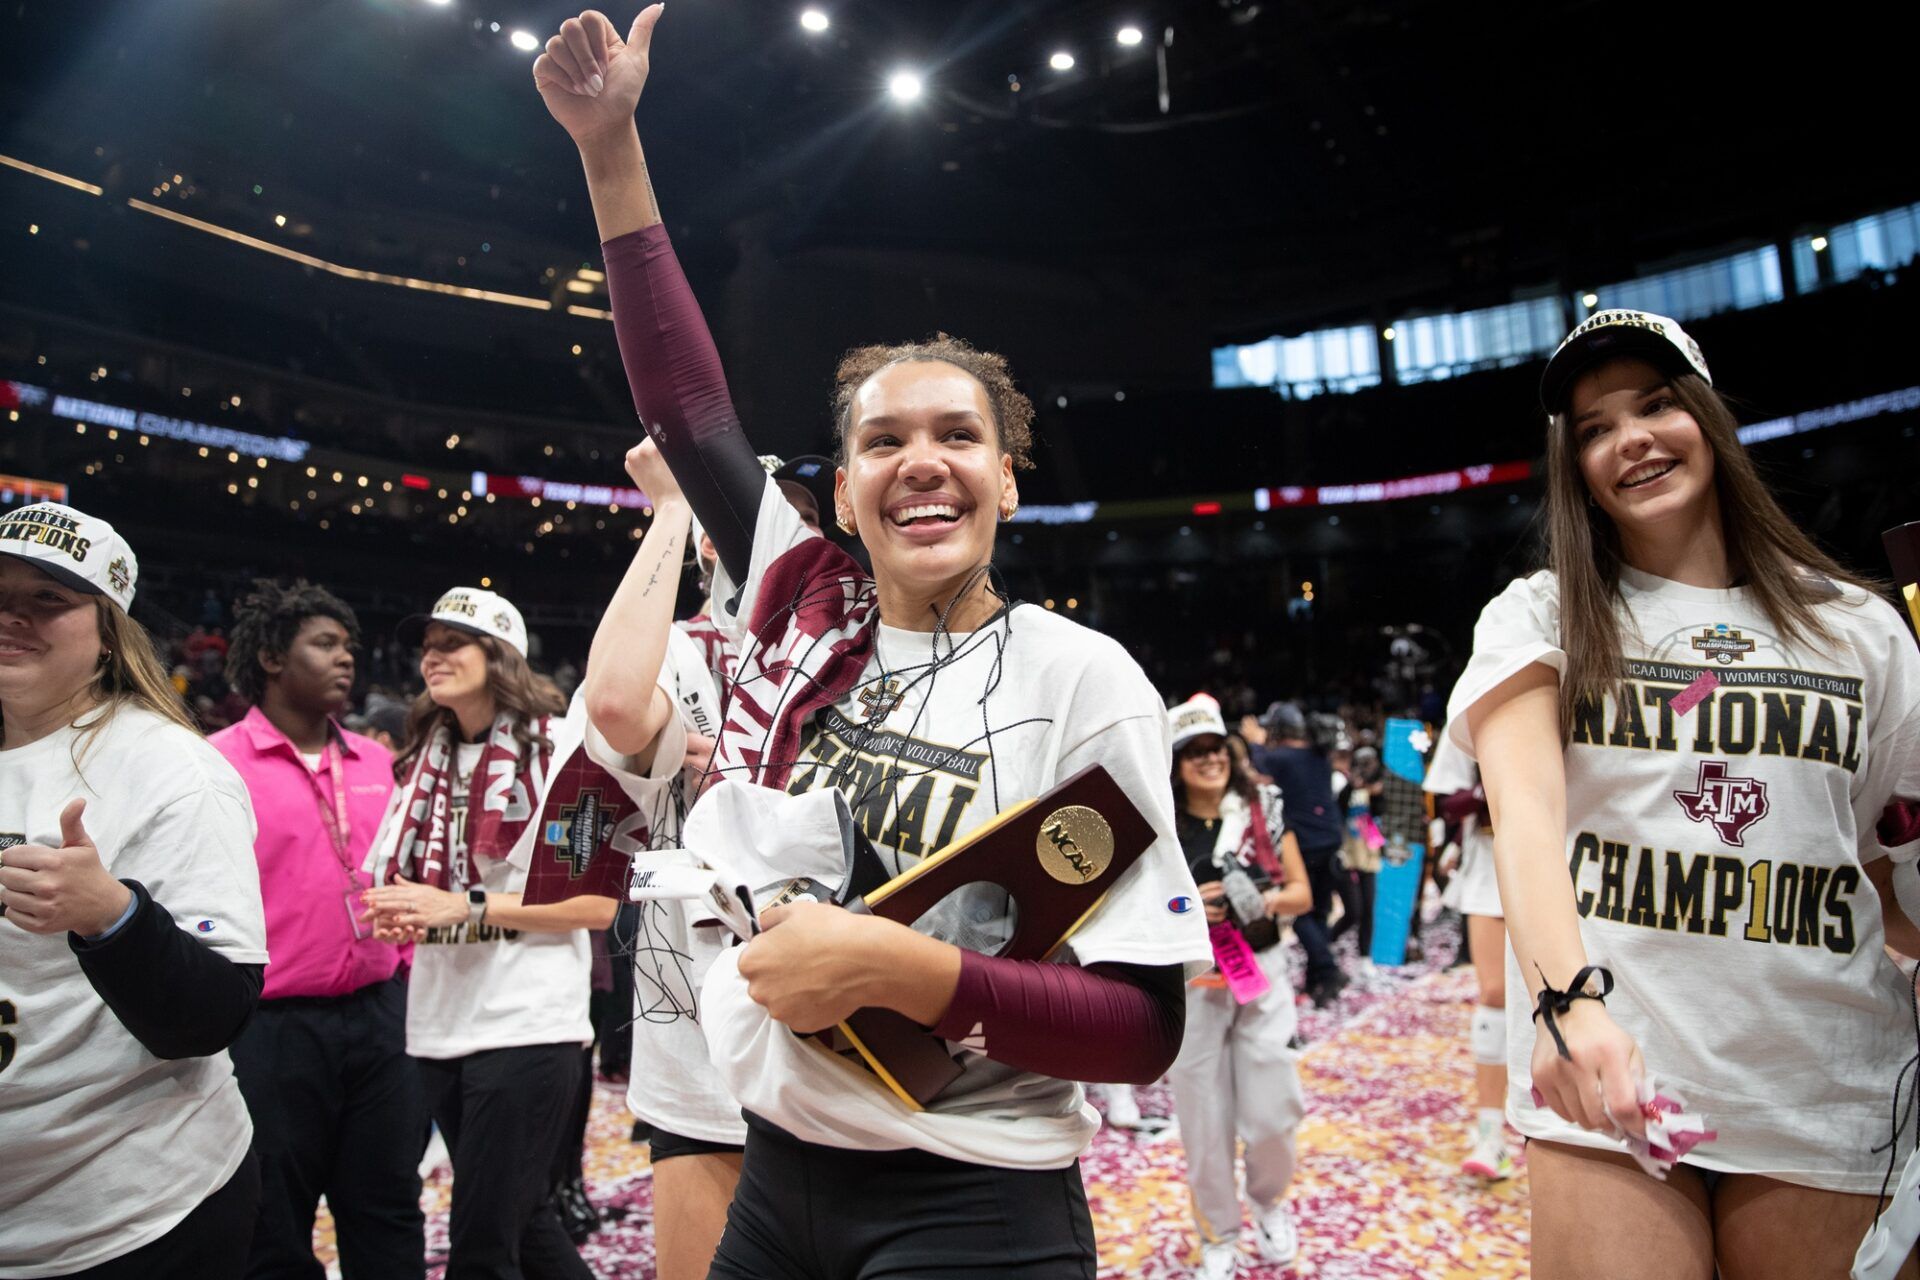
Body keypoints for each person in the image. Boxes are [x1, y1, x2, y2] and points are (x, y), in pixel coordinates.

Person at [535, 11, 1210, 1275]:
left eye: (957, 434)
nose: (921, 462)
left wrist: (909, 971)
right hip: (777, 1176)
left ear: (1008, 480)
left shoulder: (1085, 680)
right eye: (882, 440)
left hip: (973, 1202)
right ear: (837, 495)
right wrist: (611, 143)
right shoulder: (802, 601)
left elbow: (1140, 1027)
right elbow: (687, 410)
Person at [1451, 309, 1920, 1280]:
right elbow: (1526, 821)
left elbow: (1881, 858)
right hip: (1611, 1078)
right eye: (1593, 427)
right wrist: (1569, 1007)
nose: (1630, 438)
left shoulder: (1860, 628)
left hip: (1828, 1082)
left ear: (1708, 417)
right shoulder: (1539, 613)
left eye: (1656, 404)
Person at [0, 502, 269, 1279]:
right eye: (0, 592)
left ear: (107, 625)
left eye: (48, 598)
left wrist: (111, 918)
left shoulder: (171, 770)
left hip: (135, 1216)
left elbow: (215, 1010)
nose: (14, 615)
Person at [359, 589, 615, 1280]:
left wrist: (460, 906)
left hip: (528, 1026)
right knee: (522, 1222)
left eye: (452, 642)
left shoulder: (563, 750)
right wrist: (410, 911)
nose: (431, 657)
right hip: (439, 1021)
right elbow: (431, 897)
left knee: (479, 1246)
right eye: (427, 645)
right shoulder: (422, 760)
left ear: (499, 654)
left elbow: (594, 904)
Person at [210, 579, 427, 1280]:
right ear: (272, 657)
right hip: (270, 1029)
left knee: (390, 1209)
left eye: (350, 647)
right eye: (325, 644)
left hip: (381, 1018)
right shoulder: (214, 766)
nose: (347, 660)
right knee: (273, 1221)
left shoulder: (375, 762)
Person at [579, 441, 737, 1280]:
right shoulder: (670, 647)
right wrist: (675, 509)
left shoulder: (865, 644)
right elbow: (613, 705)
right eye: (733, 517)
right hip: (700, 1051)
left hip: (850, 1051)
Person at [1166, 697, 1311, 1279]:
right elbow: (1137, 905)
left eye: (1214, 748)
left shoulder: (1264, 810)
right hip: (1194, 981)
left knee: (1275, 1107)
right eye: (1192, 752)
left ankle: (1269, 1201)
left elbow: (1303, 891)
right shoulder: (1158, 824)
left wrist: (1266, 900)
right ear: (1174, 764)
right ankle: (1218, 1232)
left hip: (1261, 973)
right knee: (1203, 1117)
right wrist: (1188, 905)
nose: (1207, 760)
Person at [1422, 731, 1512, 1181]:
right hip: (1492, 854)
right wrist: (1491, 788)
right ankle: (1490, 1134)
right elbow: (1446, 799)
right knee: (1494, 993)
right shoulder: (1477, 697)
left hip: (1583, 852)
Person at [1242, 702, 1348, 1004]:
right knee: (1321, 912)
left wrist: (1255, 742)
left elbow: (1259, 769)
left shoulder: (1281, 758)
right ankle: (1317, 979)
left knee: (1300, 913)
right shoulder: (1318, 755)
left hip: (1305, 845)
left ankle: (1327, 971)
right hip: (1330, 839)